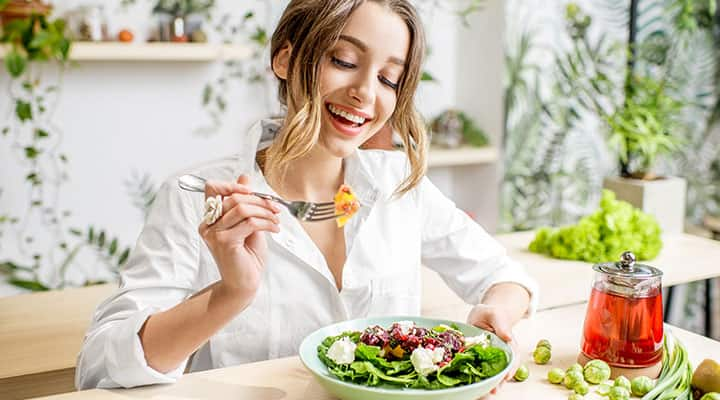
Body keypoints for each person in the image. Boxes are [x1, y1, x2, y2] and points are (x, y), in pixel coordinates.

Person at [75, 0, 539, 392]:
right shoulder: (197, 196)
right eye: (343, 61)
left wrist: (493, 315)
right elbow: (99, 369)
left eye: (389, 79)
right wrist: (230, 293)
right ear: (285, 59)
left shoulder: (399, 184)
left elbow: (504, 276)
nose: (364, 93)